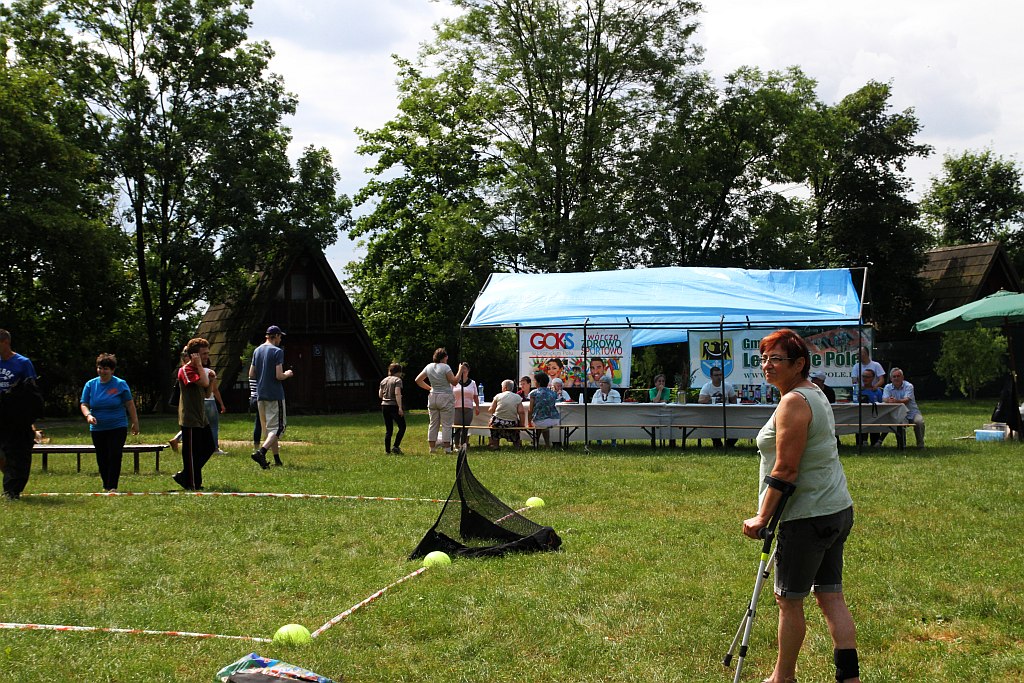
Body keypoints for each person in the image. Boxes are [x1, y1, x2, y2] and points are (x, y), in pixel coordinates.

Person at [742, 328, 860, 683]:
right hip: (835, 508)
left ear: (799, 365)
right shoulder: (813, 393)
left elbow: (787, 468)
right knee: (830, 596)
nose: (767, 365)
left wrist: (763, 516)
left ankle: (783, 678)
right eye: (763, 358)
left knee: (789, 601)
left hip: (806, 516)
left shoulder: (794, 401)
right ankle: (849, 678)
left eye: (776, 359)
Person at [79, 353, 140, 492]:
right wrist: (88, 415)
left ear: (112, 370)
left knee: (115, 454)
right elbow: (84, 404)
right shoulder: (90, 384)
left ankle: (112, 486)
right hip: (97, 427)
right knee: (102, 457)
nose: (102, 371)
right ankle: (106, 484)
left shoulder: (120, 384)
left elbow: (130, 404)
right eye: (100, 368)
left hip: (117, 426)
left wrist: (135, 422)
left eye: (106, 368)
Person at [0, 329, 41, 501]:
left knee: (17, 453)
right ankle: (11, 477)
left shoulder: (23, 363)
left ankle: (12, 490)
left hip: (15, 416)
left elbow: (31, 392)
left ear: (5, 342)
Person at [249, 325, 294, 469]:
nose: (281, 340)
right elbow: (279, 375)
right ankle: (261, 452)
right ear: (275, 336)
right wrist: (288, 373)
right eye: (280, 337)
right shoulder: (277, 351)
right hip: (275, 394)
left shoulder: (257, 350)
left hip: (261, 395)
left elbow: (251, 373)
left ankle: (277, 460)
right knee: (279, 428)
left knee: (269, 430)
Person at [174, 337, 215, 490]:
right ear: (194, 355)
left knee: (209, 447)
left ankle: (185, 475)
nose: (206, 357)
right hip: (189, 418)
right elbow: (202, 383)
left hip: (201, 417)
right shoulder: (185, 370)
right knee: (191, 453)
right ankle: (192, 483)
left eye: (207, 353)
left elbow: (206, 393)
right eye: (203, 354)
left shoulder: (199, 370)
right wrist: (199, 366)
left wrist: (212, 380)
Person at [415, 347, 459, 454]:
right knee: (446, 424)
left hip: (433, 396)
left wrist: (430, 388)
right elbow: (454, 382)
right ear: (444, 357)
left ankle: (432, 449)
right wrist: (460, 370)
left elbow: (418, 380)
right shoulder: (445, 367)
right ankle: (447, 449)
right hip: (445, 397)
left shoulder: (429, 366)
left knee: (433, 423)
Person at [883, 367, 925, 448]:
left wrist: (895, 401)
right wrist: (889, 400)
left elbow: (906, 400)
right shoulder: (887, 387)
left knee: (919, 422)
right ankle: (902, 445)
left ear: (902, 377)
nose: (896, 378)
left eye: (898, 376)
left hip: (912, 412)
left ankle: (920, 445)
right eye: (894, 377)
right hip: (898, 413)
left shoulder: (909, 386)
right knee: (899, 422)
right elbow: (884, 398)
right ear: (891, 378)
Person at [699, 366, 738, 448]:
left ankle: (729, 443)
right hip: (713, 413)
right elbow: (700, 400)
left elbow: (734, 400)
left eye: (720, 375)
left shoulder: (727, 386)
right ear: (711, 377)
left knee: (737, 424)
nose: (719, 377)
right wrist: (709, 399)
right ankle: (717, 443)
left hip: (727, 413)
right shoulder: (707, 386)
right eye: (716, 375)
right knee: (712, 425)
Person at [488, 379, 526, 449]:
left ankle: (495, 445)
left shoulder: (498, 396)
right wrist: (522, 424)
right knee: (516, 428)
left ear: (505, 388)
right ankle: (517, 445)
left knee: (493, 423)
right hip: (511, 423)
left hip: (498, 422)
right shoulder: (517, 397)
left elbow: (491, 409)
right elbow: (521, 412)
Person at [379, 363, 406, 455]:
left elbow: (380, 395)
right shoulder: (397, 380)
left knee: (389, 429)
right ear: (399, 372)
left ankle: (387, 451)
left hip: (384, 405)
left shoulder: (383, 380)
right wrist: (400, 407)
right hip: (393, 405)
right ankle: (395, 446)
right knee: (402, 427)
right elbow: (397, 393)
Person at [528, 371, 560, 448]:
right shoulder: (553, 393)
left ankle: (536, 443)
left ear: (538, 382)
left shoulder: (534, 393)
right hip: (554, 419)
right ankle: (546, 444)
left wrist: (529, 421)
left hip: (541, 420)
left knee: (539, 421)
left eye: (534, 381)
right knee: (544, 422)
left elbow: (530, 410)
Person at [453, 362, 480, 449]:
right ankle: (456, 444)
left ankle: (463, 444)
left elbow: (475, 396)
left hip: (468, 408)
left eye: (465, 369)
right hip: (456, 407)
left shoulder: (472, 383)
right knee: (457, 427)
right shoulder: (454, 382)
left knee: (465, 428)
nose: (463, 371)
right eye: (461, 369)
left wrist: (477, 407)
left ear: (468, 370)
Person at [204, 359, 227, 455]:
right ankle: (215, 448)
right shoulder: (210, 372)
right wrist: (222, 404)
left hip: (199, 402)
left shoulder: (196, 372)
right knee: (213, 426)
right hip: (210, 402)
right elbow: (215, 390)